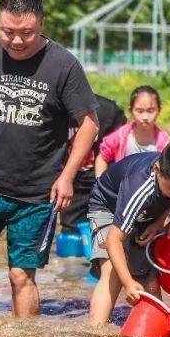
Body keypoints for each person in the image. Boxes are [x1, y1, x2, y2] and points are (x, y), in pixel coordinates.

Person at [0, 0, 99, 318]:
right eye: (8, 32)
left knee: (20, 275)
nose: (16, 41)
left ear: (42, 24)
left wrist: (67, 176)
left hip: (37, 194)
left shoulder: (63, 66)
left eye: (26, 33)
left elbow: (89, 124)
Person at [87, 142, 170, 327]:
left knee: (149, 279)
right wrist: (128, 283)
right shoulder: (140, 186)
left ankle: (155, 330)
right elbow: (113, 239)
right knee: (113, 270)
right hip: (108, 206)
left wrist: (167, 220)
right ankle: (97, 333)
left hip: (146, 212)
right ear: (157, 170)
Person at [60, 93, 127, 233]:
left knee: (103, 232)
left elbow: (119, 153)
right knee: (71, 236)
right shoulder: (54, 108)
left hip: (99, 180)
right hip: (65, 181)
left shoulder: (108, 112)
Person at [96, 85, 170, 175]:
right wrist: (100, 185)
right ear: (131, 110)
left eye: (151, 110)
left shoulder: (166, 143)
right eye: (139, 111)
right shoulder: (121, 136)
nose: (145, 117)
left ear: (159, 110)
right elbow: (102, 157)